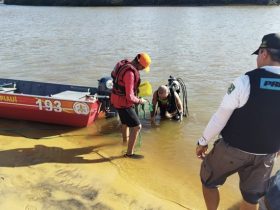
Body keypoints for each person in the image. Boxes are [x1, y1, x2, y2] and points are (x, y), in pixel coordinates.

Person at [196, 33, 280, 210]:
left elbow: (221, 116)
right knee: (251, 198)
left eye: (259, 53)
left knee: (208, 180)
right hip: (266, 154)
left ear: (264, 53)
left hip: (232, 149)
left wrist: (203, 141)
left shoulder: (245, 81)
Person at [111, 52, 151, 159]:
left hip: (116, 100)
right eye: (143, 67)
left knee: (124, 122)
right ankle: (129, 153)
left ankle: (125, 142)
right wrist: (139, 101)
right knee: (137, 126)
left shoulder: (125, 65)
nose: (142, 70)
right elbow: (129, 96)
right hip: (123, 103)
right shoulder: (130, 74)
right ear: (139, 64)